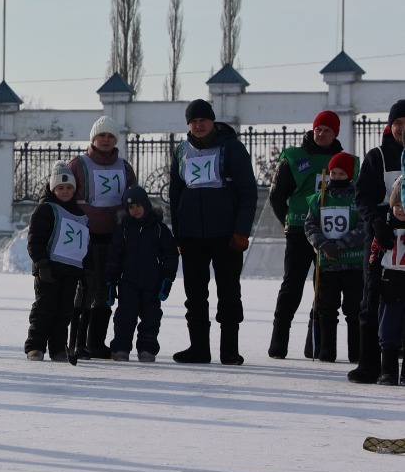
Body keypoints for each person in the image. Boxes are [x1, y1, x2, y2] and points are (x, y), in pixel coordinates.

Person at [168, 98, 258, 365]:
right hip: (192, 235)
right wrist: (178, 234)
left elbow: (247, 191)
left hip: (226, 236)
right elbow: (175, 194)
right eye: (193, 121)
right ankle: (199, 348)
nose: (198, 125)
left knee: (229, 293)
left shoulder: (232, 148)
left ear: (212, 121)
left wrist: (242, 230)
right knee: (195, 294)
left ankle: (229, 349)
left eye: (203, 120)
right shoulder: (181, 150)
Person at [266, 110, 349, 359]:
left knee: (323, 288)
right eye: (318, 129)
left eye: (327, 130)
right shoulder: (294, 157)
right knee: (292, 285)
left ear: (335, 134)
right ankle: (278, 341)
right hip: (300, 232)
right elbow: (277, 195)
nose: (321, 133)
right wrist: (290, 222)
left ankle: (316, 344)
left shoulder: (342, 159)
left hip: (331, 236)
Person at [68, 116, 138, 359]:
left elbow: (133, 199)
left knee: (106, 290)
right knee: (86, 289)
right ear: (93, 138)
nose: (106, 140)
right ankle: (76, 342)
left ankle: (96, 343)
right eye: (102, 135)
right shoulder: (77, 165)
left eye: (111, 136)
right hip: (85, 238)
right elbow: (63, 195)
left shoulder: (125, 167)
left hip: (115, 238)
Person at [351, 100, 405, 384]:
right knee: (373, 299)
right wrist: (376, 221)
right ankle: (370, 365)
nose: (403, 129)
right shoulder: (378, 157)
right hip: (382, 240)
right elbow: (362, 197)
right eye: (398, 124)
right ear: (390, 126)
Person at [303, 154, 367, 363]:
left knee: (354, 309)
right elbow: (310, 226)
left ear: (350, 174)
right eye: (333, 173)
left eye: (342, 173)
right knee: (326, 310)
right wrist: (323, 244)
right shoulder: (319, 198)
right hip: (327, 265)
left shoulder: (358, 197)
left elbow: (363, 226)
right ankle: (325, 352)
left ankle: (356, 353)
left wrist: (341, 245)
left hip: (353, 264)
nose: (337, 177)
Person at [104, 185, 177, 361]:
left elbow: (170, 255)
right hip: (128, 282)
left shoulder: (159, 229)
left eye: (138, 205)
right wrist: (111, 282)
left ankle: (147, 349)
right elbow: (114, 257)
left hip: (152, 283)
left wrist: (167, 280)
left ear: (146, 204)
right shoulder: (123, 230)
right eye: (130, 207)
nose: (135, 210)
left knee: (151, 318)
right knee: (124, 317)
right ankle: (121, 348)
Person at [24, 162, 88, 362]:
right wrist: (41, 263)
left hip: (70, 272)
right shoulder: (45, 210)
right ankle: (35, 346)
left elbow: (85, 244)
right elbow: (36, 239)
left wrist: (86, 270)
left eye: (69, 187)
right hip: (48, 270)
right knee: (44, 309)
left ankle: (58, 348)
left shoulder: (81, 215)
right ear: (53, 189)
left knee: (64, 312)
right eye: (60, 188)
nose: (65, 191)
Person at [374, 176, 405, 385]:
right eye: (398, 204)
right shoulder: (385, 227)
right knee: (388, 326)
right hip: (391, 280)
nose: (401, 209)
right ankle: (388, 370)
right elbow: (374, 254)